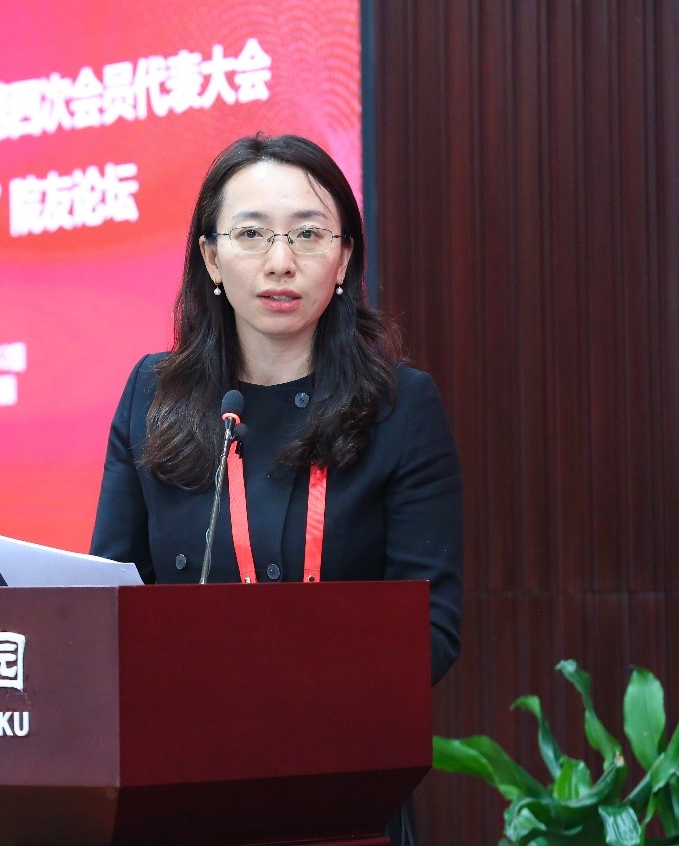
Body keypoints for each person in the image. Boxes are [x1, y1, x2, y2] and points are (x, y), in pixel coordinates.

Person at [90, 133, 462, 845]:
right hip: (180, 781)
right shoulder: (153, 395)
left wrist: (279, 694)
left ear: (344, 257)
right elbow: (110, 596)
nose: (280, 261)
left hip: (338, 784)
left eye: (308, 234)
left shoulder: (399, 407)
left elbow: (431, 631)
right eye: (252, 234)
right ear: (211, 258)